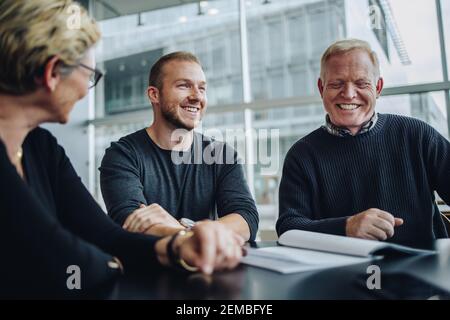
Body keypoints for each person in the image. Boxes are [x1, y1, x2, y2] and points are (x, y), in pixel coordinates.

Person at [0, 0, 244, 299]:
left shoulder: (42, 147)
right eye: (89, 75)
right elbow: (60, 258)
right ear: (52, 72)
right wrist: (114, 262)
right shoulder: (120, 153)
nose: (84, 89)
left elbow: (104, 235)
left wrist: (179, 243)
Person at [277, 39, 449, 248]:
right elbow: (288, 227)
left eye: (361, 83)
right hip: (338, 275)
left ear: (378, 87)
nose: (349, 94)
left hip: (423, 270)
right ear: (321, 88)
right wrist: (346, 227)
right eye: (337, 84)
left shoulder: (418, 136)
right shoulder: (302, 155)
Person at [99, 52, 258, 241]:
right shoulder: (123, 154)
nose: (197, 97)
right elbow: (131, 223)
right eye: (184, 86)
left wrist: (183, 228)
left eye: (202, 88)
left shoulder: (221, 154)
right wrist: (202, 233)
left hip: (208, 268)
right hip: (145, 269)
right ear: (154, 94)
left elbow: (246, 220)